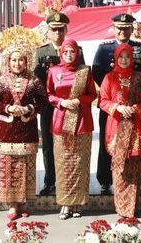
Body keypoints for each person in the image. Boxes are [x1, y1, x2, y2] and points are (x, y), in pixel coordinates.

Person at [91, 13, 141, 196]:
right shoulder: (104, 49)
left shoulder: (140, 49)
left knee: (137, 143)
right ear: (114, 29)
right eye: (119, 28)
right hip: (112, 107)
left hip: (135, 106)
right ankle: (105, 180)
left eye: (126, 28)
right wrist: (113, 92)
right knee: (108, 143)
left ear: (132, 29)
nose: (122, 31)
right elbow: (97, 71)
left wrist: (134, 93)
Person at [0, 44, 47, 221]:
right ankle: (13, 205)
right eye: (14, 60)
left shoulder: (34, 80)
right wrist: (8, 108)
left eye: (20, 59)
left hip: (27, 130)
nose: (17, 63)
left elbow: (43, 102)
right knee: (9, 167)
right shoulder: (1, 81)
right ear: (8, 61)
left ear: (26, 61)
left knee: (26, 166)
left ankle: (23, 203)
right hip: (6, 131)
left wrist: (29, 107)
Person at [98, 43, 141, 219]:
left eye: (127, 56)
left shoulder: (140, 78)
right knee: (119, 168)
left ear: (132, 58)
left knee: (135, 166)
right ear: (116, 58)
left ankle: (132, 206)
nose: (124, 60)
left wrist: (136, 108)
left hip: (136, 126)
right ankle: (121, 207)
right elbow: (103, 101)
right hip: (116, 127)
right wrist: (117, 108)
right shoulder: (108, 77)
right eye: (120, 57)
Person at [47, 38, 96, 220]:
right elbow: (49, 94)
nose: (69, 55)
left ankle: (78, 203)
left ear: (77, 53)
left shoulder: (85, 71)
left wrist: (79, 101)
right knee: (63, 164)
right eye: (66, 52)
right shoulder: (53, 71)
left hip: (82, 122)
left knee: (79, 163)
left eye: (72, 52)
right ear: (61, 53)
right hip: (61, 123)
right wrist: (61, 102)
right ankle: (65, 204)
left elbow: (92, 94)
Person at [32, 12, 73, 196]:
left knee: (69, 144)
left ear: (66, 30)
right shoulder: (42, 52)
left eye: (61, 30)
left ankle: (69, 179)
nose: (58, 34)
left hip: (69, 107)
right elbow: (36, 81)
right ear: (48, 31)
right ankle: (50, 181)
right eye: (54, 30)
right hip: (49, 106)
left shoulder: (73, 49)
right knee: (48, 145)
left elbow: (81, 76)